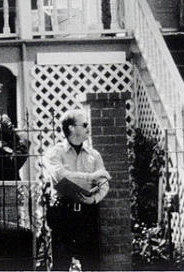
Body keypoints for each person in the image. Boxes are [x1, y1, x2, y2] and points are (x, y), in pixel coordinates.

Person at [43, 109, 111, 271]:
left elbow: (104, 183)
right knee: (60, 263)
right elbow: (61, 176)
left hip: (87, 213)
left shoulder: (94, 154)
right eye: (84, 124)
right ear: (72, 128)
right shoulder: (54, 153)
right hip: (62, 212)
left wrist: (94, 199)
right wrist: (91, 176)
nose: (88, 128)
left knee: (92, 263)